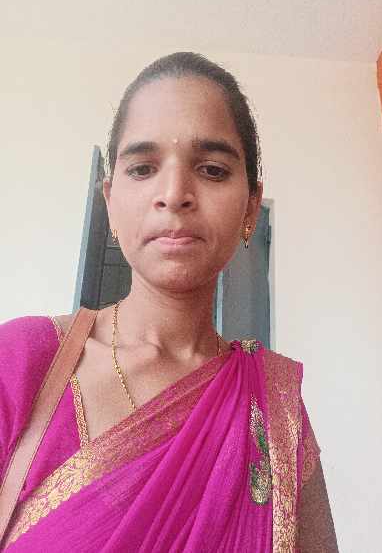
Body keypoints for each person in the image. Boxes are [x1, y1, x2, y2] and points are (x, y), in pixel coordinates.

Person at [0, 52, 338, 552]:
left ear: (251, 205)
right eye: (142, 168)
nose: (174, 193)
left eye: (212, 169)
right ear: (110, 201)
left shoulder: (274, 412)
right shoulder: (20, 360)